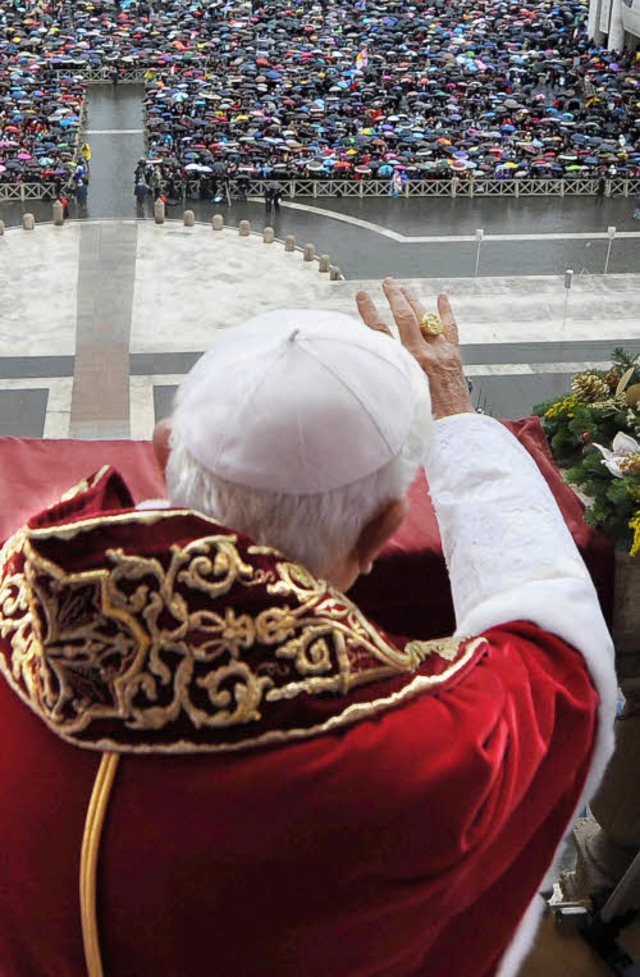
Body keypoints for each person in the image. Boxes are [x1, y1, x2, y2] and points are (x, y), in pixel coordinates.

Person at [0, 283, 615, 977]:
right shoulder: (409, 755)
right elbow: (556, 661)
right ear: (382, 532)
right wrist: (455, 417)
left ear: (166, 447)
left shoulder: (22, 591)